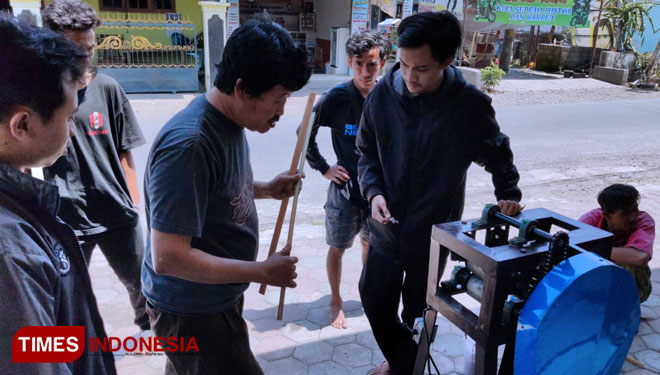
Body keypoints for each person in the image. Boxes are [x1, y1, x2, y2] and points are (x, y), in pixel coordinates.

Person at [141, 18, 311, 374]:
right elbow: (169, 258)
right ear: (242, 89)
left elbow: (215, 188)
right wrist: (261, 272)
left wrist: (266, 189)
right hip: (191, 311)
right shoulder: (190, 145)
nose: (282, 111)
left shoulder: (231, 122)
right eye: (278, 99)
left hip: (214, 297)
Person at [356, 11, 522, 375]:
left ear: (447, 62)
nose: (410, 77)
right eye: (403, 65)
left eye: (422, 68)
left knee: (419, 313)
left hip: (433, 234)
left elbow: (497, 151)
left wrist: (507, 192)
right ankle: (404, 364)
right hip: (386, 227)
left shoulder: (468, 105)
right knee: (373, 299)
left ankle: (404, 367)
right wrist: (373, 193)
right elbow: (366, 152)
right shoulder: (383, 94)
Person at [0, 17, 116, 374]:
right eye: (68, 119)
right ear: (22, 125)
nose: (71, 131)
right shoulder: (11, 247)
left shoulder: (20, 206)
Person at [41, 0, 150, 333]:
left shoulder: (108, 88)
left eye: (90, 47)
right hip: (68, 218)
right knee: (70, 294)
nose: (86, 56)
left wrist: (134, 200)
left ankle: (153, 334)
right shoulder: (42, 93)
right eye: (76, 50)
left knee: (141, 284)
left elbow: (124, 150)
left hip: (118, 212)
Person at [302, 30, 391, 329]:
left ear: (383, 63)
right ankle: (336, 299)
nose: (365, 72)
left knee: (370, 246)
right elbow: (305, 135)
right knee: (338, 248)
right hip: (345, 190)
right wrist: (324, 168)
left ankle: (367, 293)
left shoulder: (388, 97)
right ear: (349, 63)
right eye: (358, 64)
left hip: (378, 192)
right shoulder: (337, 98)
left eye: (372, 64)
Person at [579, 184, 654, 302]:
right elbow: (573, 251)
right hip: (598, 281)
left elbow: (641, 257)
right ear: (607, 216)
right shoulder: (589, 221)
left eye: (635, 209)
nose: (634, 217)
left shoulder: (644, 221)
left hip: (633, 288)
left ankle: (627, 304)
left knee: (633, 261)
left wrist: (594, 250)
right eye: (626, 213)